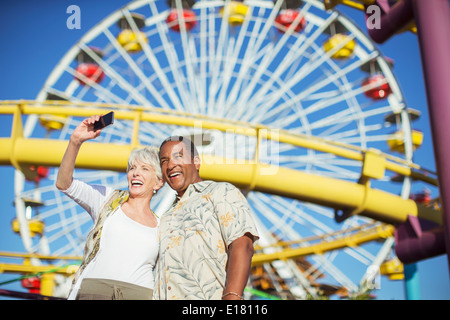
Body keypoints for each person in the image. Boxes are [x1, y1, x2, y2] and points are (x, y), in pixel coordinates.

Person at [56, 115, 163, 300]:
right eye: (132, 168)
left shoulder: (162, 225)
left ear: (159, 182)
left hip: (140, 294)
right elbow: (64, 184)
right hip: (96, 289)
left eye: (145, 169)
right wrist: (75, 141)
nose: (135, 172)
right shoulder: (107, 200)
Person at [153, 136, 260, 300]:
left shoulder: (221, 192)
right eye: (164, 161)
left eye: (178, 156)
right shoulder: (165, 217)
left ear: (196, 162)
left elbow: (242, 245)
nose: (170, 165)